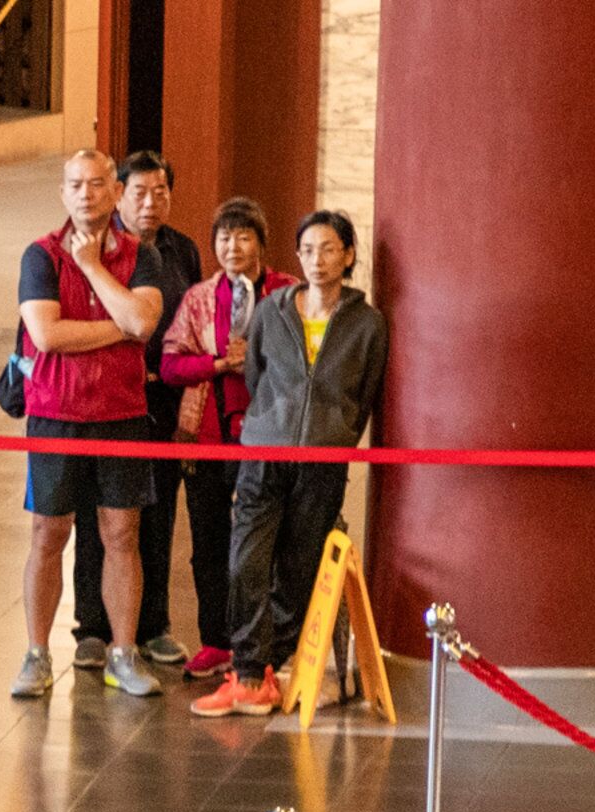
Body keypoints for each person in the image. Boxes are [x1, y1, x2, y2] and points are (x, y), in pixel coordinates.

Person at [192, 211, 386, 718]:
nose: (317, 260)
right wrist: (272, 422)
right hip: (265, 451)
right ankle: (247, 672)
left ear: (348, 255)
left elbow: (364, 394)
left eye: (328, 249)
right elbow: (256, 376)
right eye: (307, 249)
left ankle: (269, 668)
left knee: (298, 570)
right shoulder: (272, 311)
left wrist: (335, 433)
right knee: (246, 561)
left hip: (322, 460)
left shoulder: (367, 324)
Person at [11, 149, 175, 700]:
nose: (86, 194)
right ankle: (36, 654)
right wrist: (118, 326)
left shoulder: (141, 255)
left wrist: (92, 269)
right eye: (75, 185)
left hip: (122, 415)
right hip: (55, 415)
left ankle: (123, 653)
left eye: (97, 184)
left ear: (115, 191)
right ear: (63, 193)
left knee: (121, 535)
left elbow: (144, 321)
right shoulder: (39, 255)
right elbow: (47, 335)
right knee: (48, 533)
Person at [71, 152, 204, 673]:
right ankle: (91, 628)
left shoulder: (182, 250)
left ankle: (153, 626)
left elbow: (191, 321)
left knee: (159, 512)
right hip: (107, 395)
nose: (151, 203)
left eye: (161, 192)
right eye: (140, 192)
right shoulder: (98, 247)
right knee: (99, 515)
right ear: (118, 195)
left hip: (161, 397)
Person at [156, 198, 291, 681]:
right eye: (224, 238)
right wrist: (218, 364)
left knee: (264, 544)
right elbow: (170, 364)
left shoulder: (286, 293)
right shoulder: (199, 297)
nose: (232, 247)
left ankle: (265, 644)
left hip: (269, 434)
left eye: (243, 237)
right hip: (208, 434)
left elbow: (301, 361)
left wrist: (253, 356)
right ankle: (215, 639)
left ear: (261, 244)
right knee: (208, 541)